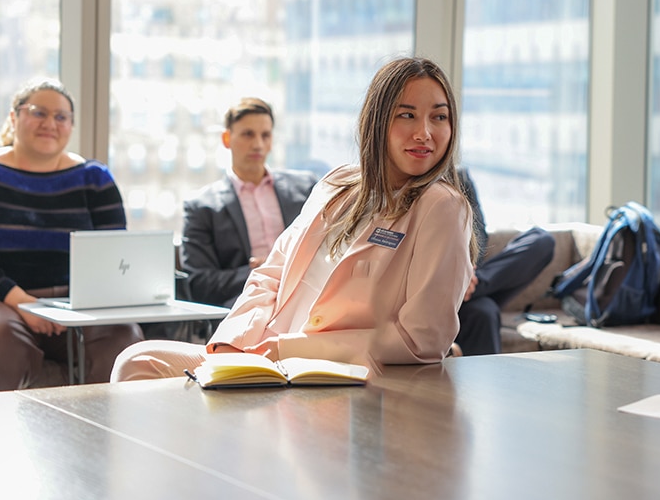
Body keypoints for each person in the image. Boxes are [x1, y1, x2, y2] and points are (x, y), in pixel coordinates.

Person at [111, 57, 475, 381]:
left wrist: (287, 350)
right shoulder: (338, 184)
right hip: (261, 356)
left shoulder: (441, 206)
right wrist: (234, 343)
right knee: (137, 360)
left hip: (327, 372)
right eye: (406, 115)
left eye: (438, 117)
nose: (424, 133)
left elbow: (423, 338)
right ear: (377, 121)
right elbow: (270, 275)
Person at [0, 79, 144, 391]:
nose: (50, 124)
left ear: (71, 126)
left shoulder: (94, 179)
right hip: (1, 301)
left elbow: (114, 254)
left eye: (61, 117)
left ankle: (104, 438)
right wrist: (20, 300)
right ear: (13, 118)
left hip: (78, 305)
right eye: (38, 113)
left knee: (124, 336)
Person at [180, 97, 317, 308]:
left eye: (265, 135)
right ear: (227, 139)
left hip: (306, 297)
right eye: (248, 134)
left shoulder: (306, 188)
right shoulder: (202, 207)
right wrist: (260, 271)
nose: (258, 144)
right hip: (244, 306)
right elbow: (199, 284)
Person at [456, 167, 555, 355]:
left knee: (542, 241)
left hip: (472, 275)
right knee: (484, 311)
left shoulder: (459, 177)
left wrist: (467, 273)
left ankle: (470, 288)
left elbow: (478, 235)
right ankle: (462, 289)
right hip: (439, 289)